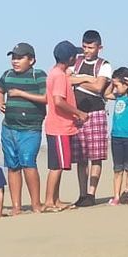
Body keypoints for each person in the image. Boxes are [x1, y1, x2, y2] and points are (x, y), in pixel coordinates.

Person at [0, 42, 46, 217]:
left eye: (19, 58)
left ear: (31, 60)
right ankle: (16, 205)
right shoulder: (7, 75)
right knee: (13, 166)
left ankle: (36, 204)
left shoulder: (37, 75)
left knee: (28, 162)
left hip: (30, 129)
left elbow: (46, 98)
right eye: (13, 58)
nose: (15, 61)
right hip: (9, 128)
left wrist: (21, 94)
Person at [68, 31, 112, 208]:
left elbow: (99, 87)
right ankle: (82, 193)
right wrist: (85, 78)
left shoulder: (104, 65)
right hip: (77, 113)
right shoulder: (76, 62)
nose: (87, 50)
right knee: (80, 158)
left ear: (99, 48)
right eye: (85, 47)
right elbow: (66, 79)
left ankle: (91, 193)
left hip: (96, 112)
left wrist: (76, 81)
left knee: (96, 156)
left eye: (91, 47)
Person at [42, 40, 86, 213]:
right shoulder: (59, 76)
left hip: (60, 126)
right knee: (56, 167)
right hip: (58, 127)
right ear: (70, 58)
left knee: (59, 164)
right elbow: (58, 101)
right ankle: (48, 201)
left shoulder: (56, 73)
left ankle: (55, 199)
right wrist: (78, 113)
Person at [105, 68, 128, 206]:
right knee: (117, 168)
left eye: (118, 85)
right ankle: (116, 196)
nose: (116, 88)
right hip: (116, 136)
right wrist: (111, 83)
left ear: (126, 84)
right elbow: (106, 94)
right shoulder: (117, 96)